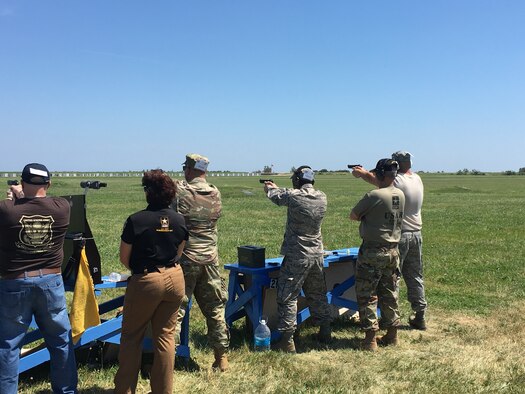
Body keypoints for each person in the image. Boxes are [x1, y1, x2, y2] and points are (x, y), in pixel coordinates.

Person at [0, 163, 78, 394]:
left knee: (8, 346)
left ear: (21, 182)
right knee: (61, 342)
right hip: (51, 281)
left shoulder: (6, 209)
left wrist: (16, 198)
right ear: (49, 183)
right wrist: (24, 197)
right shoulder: (62, 207)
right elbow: (42, 202)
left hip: (14, 282)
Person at [114, 169, 187, 394]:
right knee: (165, 337)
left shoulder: (136, 220)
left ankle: (125, 389)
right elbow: (180, 251)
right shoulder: (179, 219)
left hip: (147, 279)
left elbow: (124, 257)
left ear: (148, 192)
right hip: (175, 277)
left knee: (131, 336)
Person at [352, 151, 427, 330]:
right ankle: (420, 314)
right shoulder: (417, 178)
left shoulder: (398, 181)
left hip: (399, 235)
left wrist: (362, 174)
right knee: (415, 275)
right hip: (417, 233)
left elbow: (380, 182)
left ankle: (389, 320)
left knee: (391, 280)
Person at [263, 166, 332, 353]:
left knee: (287, 296)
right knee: (317, 293)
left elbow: (277, 197)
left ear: (297, 180)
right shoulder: (322, 196)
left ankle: (287, 341)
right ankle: (325, 332)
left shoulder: (293, 196)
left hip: (297, 255)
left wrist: (270, 187)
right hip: (316, 253)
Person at [173, 154, 230, 372]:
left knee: (175, 311)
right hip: (210, 260)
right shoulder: (215, 193)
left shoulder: (181, 192)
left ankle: (167, 358)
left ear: (188, 169)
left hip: (185, 259)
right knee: (215, 310)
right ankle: (222, 358)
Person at [350, 159, 405, 351]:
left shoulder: (374, 195)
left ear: (380, 174)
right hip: (393, 250)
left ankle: (370, 340)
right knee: (390, 293)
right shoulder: (400, 194)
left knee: (368, 294)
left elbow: (354, 215)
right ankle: (392, 335)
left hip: (373, 250)